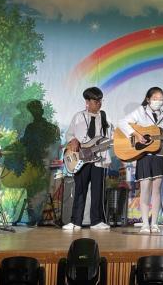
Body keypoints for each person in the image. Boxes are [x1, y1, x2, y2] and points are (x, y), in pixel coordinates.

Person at [118, 87, 163, 233]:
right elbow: (122, 123)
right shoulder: (141, 111)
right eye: (155, 98)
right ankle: (145, 223)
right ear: (148, 99)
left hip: (160, 155)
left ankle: (154, 223)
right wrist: (137, 135)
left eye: (161, 99)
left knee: (157, 190)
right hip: (145, 155)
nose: (158, 101)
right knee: (145, 189)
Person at [63, 87, 111, 231]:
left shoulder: (105, 118)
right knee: (80, 190)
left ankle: (96, 221)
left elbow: (110, 137)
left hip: (99, 158)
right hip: (81, 158)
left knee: (98, 191)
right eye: (96, 101)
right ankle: (75, 222)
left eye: (100, 101)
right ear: (87, 102)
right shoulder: (78, 117)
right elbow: (69, 134)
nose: (99, 104)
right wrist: (73, 140)